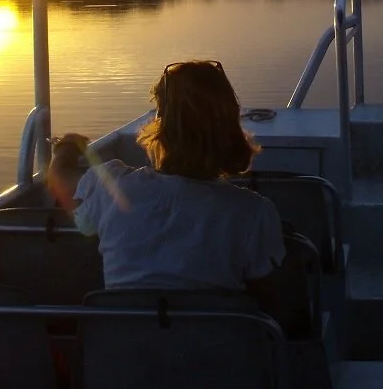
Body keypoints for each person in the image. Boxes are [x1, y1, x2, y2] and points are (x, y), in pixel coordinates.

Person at [45, 60, 285, 305]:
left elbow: (58, 177)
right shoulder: (254, 214)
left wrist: (67, 145)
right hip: (211, 343)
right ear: (230, 128)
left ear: (160, 126)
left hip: (120, 341)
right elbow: (271, 309)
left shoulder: (113, 188)